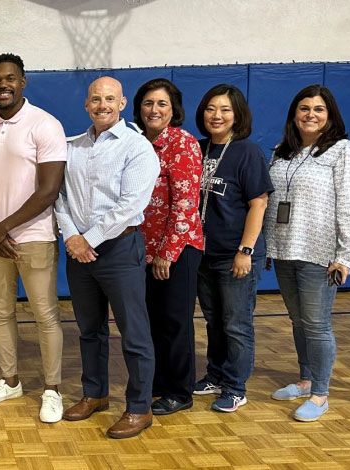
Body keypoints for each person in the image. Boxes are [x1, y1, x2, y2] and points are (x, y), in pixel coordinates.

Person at [54, 77, 160, 437]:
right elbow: (60, 197)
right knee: (89, 329)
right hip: (78, 252)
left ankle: (139, 407)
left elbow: (131, 205)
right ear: (86, 104)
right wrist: (71, 235)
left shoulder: (138, 147)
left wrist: (88, 239)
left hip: (119, 249)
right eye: (96, 99)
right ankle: (95, 394)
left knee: (134, 333)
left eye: (109, 99)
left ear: (122, 103)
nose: (102, 105)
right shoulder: (73, 146)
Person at [0, 53, 66, 423]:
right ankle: (10, 382)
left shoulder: (45, 125)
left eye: (10, 78)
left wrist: (1, 228)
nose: (3, 84)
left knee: (45, 316)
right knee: (0, 312)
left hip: (35, 236)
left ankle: (52, 389)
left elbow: (48, 190)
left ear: (23, 82)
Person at [264, 84, 350, 422]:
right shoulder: (282, 151)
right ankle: (305, 380)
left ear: (329, 116)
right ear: (294, 114)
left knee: (317, 324)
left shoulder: (342, 151)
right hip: (283, 249)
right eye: (304, 108)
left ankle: (321, 394)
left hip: (319, 253)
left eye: (318, 109)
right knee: (298, 321)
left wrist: (346, 254)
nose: (310, 114)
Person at [192, 84, 273, 413]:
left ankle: (236, 386)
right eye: (211, 108)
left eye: (225, 109)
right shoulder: (197, 149)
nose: (217, 115)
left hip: (234, 253)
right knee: (213, 320)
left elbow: (259, 203)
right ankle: (215, 374)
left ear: (237, 115)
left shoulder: (247, 151)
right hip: (202, 254)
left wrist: (246, 250)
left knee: (236, 323)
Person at [132, 78, 204, 416]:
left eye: (161, 103)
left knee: (175, 321)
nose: (154, 109)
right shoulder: (137, 142)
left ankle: (180, 390)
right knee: (151, 321)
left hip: (177, 249)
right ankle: (159, 382)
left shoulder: (182, 143)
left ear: (173, 108)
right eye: (148, 103)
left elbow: (186, 204)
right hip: (141, 248)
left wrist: (167, 252)